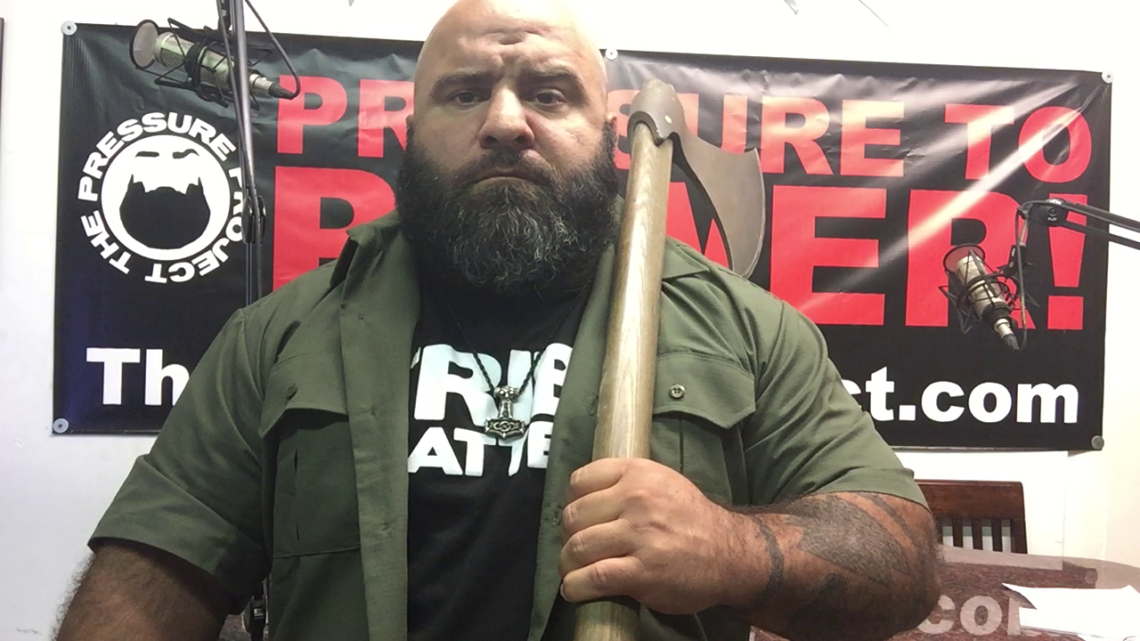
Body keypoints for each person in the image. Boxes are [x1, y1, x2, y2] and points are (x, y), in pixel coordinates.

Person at [54, 0, 941, 639]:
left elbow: (900, 558)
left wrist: (732, 549)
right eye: (465, 92)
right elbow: (152, 576)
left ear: (606, 133)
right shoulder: (277, 337)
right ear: (411, 128)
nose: (506, 121)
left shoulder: (748, 332)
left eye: (550, 94)